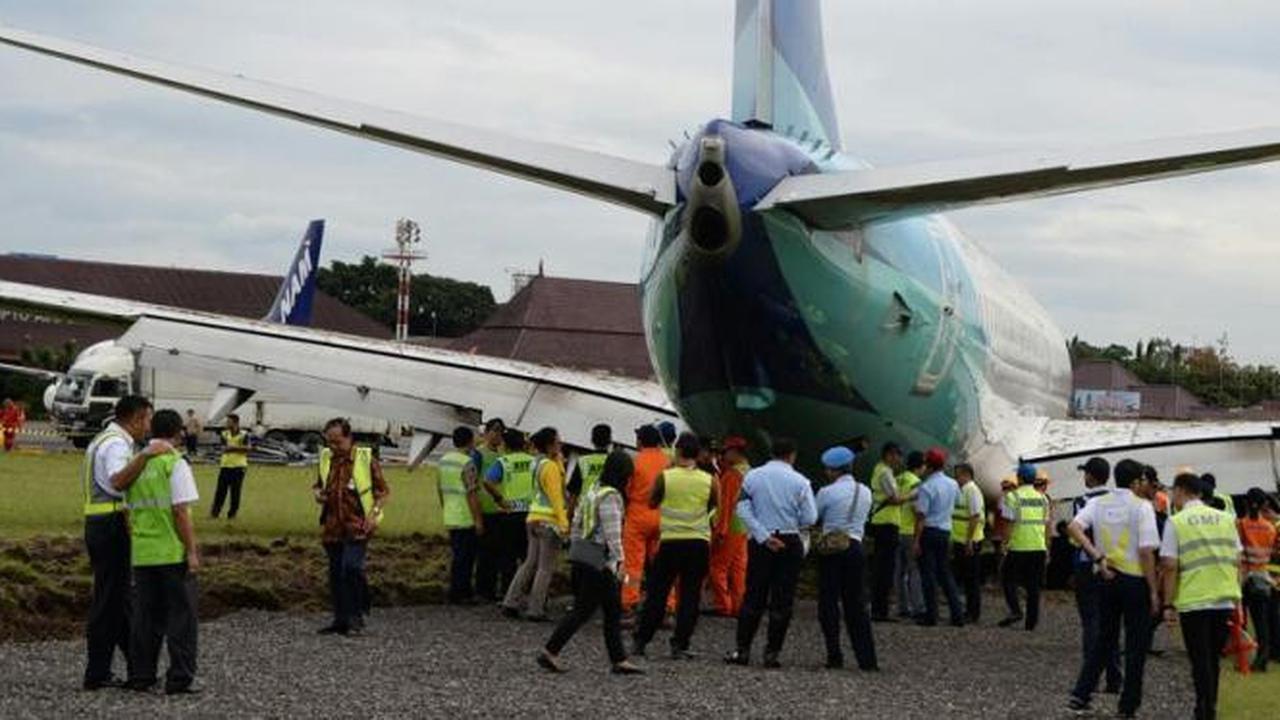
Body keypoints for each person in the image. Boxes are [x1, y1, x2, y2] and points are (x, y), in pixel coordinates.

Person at [81, 395, 170, 690]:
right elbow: (118, 481)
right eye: (147, 420)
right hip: (110, 525)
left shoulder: (102, 439)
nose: (148, 427)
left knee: (118, 599)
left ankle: (136, 668)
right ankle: (98, 673)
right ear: (135, 418)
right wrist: (145, 456)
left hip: (100, 524)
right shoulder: (117, 444)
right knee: (109, 601)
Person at [1065, 459, 1160, 718]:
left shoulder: (1098, 503)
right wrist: (1154, 590)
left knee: (1104, 639)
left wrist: (1097, 557)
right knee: (1135, 644)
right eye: (1142, 480)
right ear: (1135, 482)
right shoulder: (1142, 507)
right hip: (1135, 581)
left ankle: (1081, 693)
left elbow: (1073, 527)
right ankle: (1127, 705)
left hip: (1107, 576)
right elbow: (1146, 551)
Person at [118, 409, 201, 695]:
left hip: (143, 553)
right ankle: (179, 678)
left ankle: (141, 675)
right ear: (179, 432)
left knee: (145, 618)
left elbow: (127, 509)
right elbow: (180, 511)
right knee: (181, 618)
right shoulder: (175, 463)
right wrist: (191, 551)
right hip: (171, 551)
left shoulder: (137, 464)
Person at [539, 451, 643, 675]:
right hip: (600, 561)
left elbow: (577, 520)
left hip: (584, 555)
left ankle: (619, 658)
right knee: (584, 610)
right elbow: (612, 531)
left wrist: (575, 544)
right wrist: (620, 560)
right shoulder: (612, 496)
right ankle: (551, 650)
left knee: (611, 608)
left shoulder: (593, 490)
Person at [725, 438, 817, 668]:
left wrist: (763, 535)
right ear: (792, 455)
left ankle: (742, 650)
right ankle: (771, 653)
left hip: (761, 542)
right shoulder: (801, 482)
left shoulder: (753, 476)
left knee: (753, 596)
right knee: (782, 601)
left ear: (772, 452)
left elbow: (742, 508)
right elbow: (810, 518)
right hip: (789, 540)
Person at [1160, 472, 1242, 720]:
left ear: (1182, 491)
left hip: (1194, 600)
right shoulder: (1226, 519)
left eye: (1173, 491)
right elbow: (1237, 559)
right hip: (1224, 598)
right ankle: (1210, 704)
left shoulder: (1177, 522)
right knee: (1213, 658)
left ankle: (1204, 707)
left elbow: (1170, 565)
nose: (1172, 497)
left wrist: (1168, 604)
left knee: (1199, 659)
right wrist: (1237, 596)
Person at [632, 433, 716, 659]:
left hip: (670, 541)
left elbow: (652, 502)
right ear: (698, 454)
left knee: (657, 593)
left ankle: (641, 640)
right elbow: (713, 505)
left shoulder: (666, 476)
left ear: (677, 451)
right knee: (690, 596)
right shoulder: (709, 480)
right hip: (698, 542)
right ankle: (680, 644)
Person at [314, 417, 389, 636]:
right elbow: (318, 484)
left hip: (358, 524)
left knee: (352, 568)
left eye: (337, 442)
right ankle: (340, 619)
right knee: (336, 574)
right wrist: (317, 494)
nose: (333, 447)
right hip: (332, 526)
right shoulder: (326, 458)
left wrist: (374, 514)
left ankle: (357, 613)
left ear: (349, 438)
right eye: (329, 442)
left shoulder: (365, 459)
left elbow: (383, 492)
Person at [814, 445, 878, 671]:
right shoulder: (866, 492)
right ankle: (867, 659)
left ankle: (834, 654)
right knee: (857, 604)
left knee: (829, 602)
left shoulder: (826, 492)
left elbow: (814, 516)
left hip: (832, 549)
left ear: (833, 471)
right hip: (856, 548)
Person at [502, 427, 568, 621]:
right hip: (549, 520)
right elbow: (557, 497)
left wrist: (558, 460)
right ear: (549, 445)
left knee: (529, 563)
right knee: (545, 568)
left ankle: (510, 601)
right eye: (557, 442)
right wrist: (564, 524)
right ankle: (535, 609)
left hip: (533, 517)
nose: (561, 444)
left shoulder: (536, 463)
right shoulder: (551, 467)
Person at [1069, 457, 1122, 695]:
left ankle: (1090, 677)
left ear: (1091, 476)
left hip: (1088, 563)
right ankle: (1114, 677)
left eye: (1085, 473)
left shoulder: (1082, 501)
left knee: (1090, 622)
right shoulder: (1117, 501)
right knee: (1110, 623)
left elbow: (1076, 535)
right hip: (1114, 565)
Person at [621, 424, 671, 620]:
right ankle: (667, 607)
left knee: (633, 565)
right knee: (663, 565)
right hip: (662, 515)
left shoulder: (635, 461)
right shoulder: (668, 462)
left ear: (640, 441)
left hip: (637, 516)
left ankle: (629, 605)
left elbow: (627, 489)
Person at [912, 448, 964, 627]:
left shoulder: (926, 487)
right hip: (945, 532)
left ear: (928, 466)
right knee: (945, 573)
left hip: (928, 532)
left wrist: (916, 541)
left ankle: (931, 615)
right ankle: (957, 614)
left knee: (928, 574)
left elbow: (920, 516)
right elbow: (958, 503)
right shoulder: (953, 484)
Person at [999, 462, 1051, 631]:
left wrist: (1004, 543)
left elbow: (1008, 523)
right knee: (1034, 586)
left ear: (1019, 478)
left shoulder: (1012, 497)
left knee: (1007, 579)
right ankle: (1031, 623)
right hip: (1038, 546)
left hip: (1018, 546)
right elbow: (1047, 525)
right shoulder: (1043, 498)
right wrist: (1048, 547)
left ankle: (1015, 610)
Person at [486, 428, 535, 604]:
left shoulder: (503, 461)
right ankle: (530, 594)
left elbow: (488, 481)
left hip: (509, 514)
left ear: (505, 445)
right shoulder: (533, 462)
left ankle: (509, 595)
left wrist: (499, 498)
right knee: (528, 557)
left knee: (508, 557)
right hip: (530, 513)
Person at [440, 426, 484, 604]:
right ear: (470, 441)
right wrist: (478, 520)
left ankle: (455, 591)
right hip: (465, 516)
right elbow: (471, 493)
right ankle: (462, 593)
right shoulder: (467, 463)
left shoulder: (443, 461)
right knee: (466, 559)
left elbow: (440, 489)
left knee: (458, 556)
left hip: (450, 514)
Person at [708, 436, 750, 617]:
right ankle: (739, 605)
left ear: (734, 452)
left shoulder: (733, 475)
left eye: (724, 452)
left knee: (717, 567)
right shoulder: (749, 471)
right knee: (738, 568)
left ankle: (723, 605)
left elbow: (725, 505)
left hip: (731, 527)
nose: (722, 456)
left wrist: (720, 530)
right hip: (744, 527)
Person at [1239, 488, 1277, 672]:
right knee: (1262, 623)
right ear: (1265, 505)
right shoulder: (1270, 527)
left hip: (1244, 577)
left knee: (1241, 619)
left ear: (1246, 503)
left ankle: (1241, 655)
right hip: (1262, 578)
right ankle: (1262, 658)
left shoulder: (1240, 524)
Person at [868, 442, 905, 621]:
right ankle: (880, 610)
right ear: (889, 455)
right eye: (898, 455)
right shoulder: (885, 472)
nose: (899, 460)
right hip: (886, 524)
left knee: (881, 567)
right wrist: (912, 495)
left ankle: (879, 608)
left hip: (882, 523)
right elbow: (895, 499)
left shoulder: (879, 470)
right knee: (885, 569)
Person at [472, 418, 508, 602]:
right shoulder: (479, 454)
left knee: (498, 553)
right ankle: (482, 590)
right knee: (485, 554)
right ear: (486, 432)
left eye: (501, 431)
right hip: (485, 509)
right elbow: (473, 482)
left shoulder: (502, 455)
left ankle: (493, 590)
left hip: (500, 511)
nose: (498, 435)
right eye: (495, 431)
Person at [950, 463, 985, 623]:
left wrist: (969, 540)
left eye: (958, 475)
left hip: (970, 541)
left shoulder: (972, 490)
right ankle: (968, 610)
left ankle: (973, 612)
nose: (956, 478)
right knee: (964, 577)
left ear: (966, 474)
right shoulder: (963, 490)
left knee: (971, 579)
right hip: (960, 539)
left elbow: (975, 516)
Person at [895, 451, 925, 620]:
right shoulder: (916, 483)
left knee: (898, 571)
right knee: (914, 570)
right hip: (909, 531)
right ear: (920, 466)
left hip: (895, 529)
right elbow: (917, 509)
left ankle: (902, 607)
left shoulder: (898, 479)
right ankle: (918, 608)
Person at [210, 414, 250, 519]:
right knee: (220, 491)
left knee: (235, 492)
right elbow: (223, 448)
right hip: (225, 465)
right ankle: (215, 513)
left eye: (229, 421)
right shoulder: (224, 434)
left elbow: (248, 448)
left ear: (235, 422)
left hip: (239, 466)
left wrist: (232, 448)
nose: (227, 423)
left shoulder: (244, 434)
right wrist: (238, 448)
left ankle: (232, 514)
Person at [567, 424, 612, 510]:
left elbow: (574, 493)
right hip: (608, 511)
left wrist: (569, 515)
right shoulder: (614, 461)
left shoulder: (583, 461)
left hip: (586, 511)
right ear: (610, 441)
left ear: (592, 440)